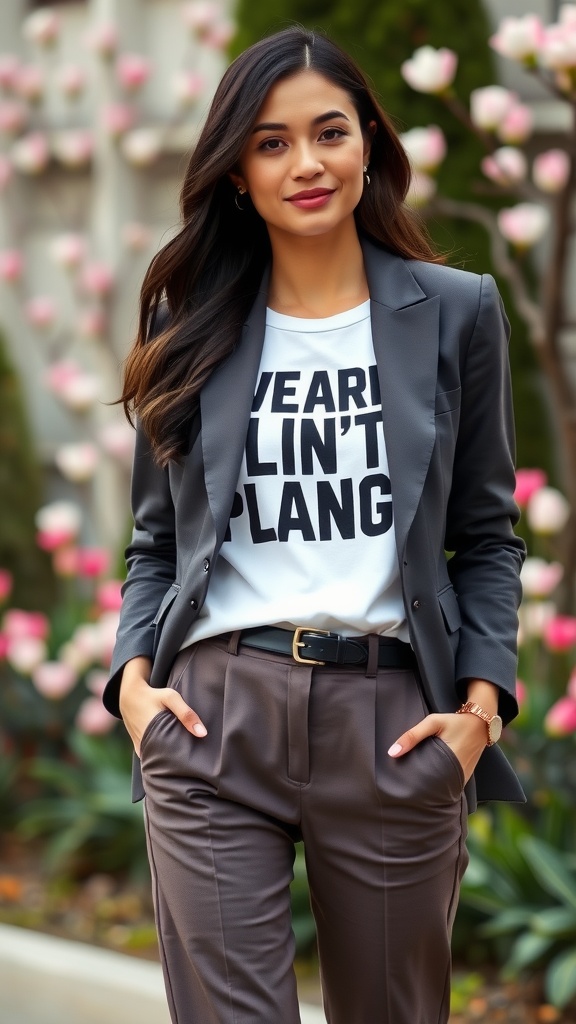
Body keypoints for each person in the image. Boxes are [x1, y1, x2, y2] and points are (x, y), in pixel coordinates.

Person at [103, 25, 526, 1024]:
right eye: (271, 142)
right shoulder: (190, 326)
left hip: (391, 724)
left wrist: (480, 709)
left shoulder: (458, 312)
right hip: (212, 719)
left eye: (328, 132)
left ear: (369, 145)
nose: (307, 163)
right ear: (237, 172)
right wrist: (132, 687)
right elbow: (156, 542)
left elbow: (489, 534)